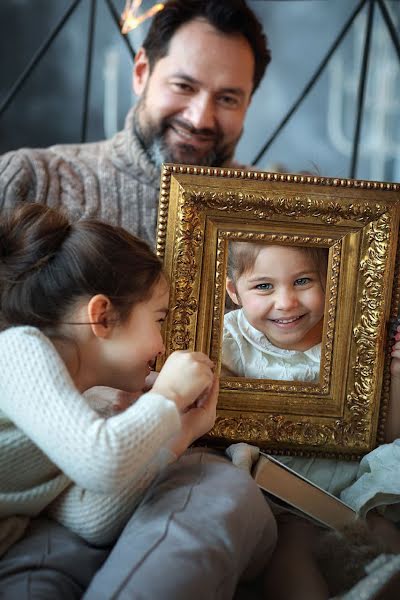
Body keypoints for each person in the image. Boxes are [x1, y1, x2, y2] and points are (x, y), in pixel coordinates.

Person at [0, 203, 277, 599]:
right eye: (159, 319)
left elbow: (90, 517)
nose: (163, 345)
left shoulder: (80, 411)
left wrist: (179, 434)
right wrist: (168, 395)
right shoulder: (17, 350)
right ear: (103, 317)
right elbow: (102, 462)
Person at [0, 0, 271, 247]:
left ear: (248, 103)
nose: (199, 119)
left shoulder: (281, 211)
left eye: (227, 99)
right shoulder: (29, 180)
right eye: (183, 86)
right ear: (141, 72)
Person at [222, 240, 400, 598]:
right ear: (234, 291)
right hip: (284, 495)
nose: (286, 302)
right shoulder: (229, 340)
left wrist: (396, 372)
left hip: (355, 482)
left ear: (332, 278)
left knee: (384, 536)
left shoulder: (358, 334)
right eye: (263, 286)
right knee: (290, 555)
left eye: (303, 281)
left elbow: (387, 434)